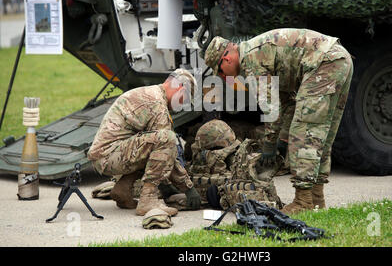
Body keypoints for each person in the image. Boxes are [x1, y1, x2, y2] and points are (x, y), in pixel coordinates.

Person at [204, 28, 353, 214]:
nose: (225, 78)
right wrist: (282, 141)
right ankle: (316, 200)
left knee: (304, 132)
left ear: (226, 59)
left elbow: (271, 110)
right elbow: (287, 101)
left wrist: (269, 146)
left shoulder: (250, 59)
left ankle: (303, 201)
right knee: (320, 134)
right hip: (339, 58)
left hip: (323, 63)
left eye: (221, 73)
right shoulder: (257, 52)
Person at [87, 69, 201, 217]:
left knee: (152, 145)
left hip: (106, 156)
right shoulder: (157, 105)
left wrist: (167, 184)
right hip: (109, 157)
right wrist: (188, 188)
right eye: (184, 99)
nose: (182, 104)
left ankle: (123, 190)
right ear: (180, 88)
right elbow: (166, 149)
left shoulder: (150, 93)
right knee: (167, 138)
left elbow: (149, 150)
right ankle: (148, 200)